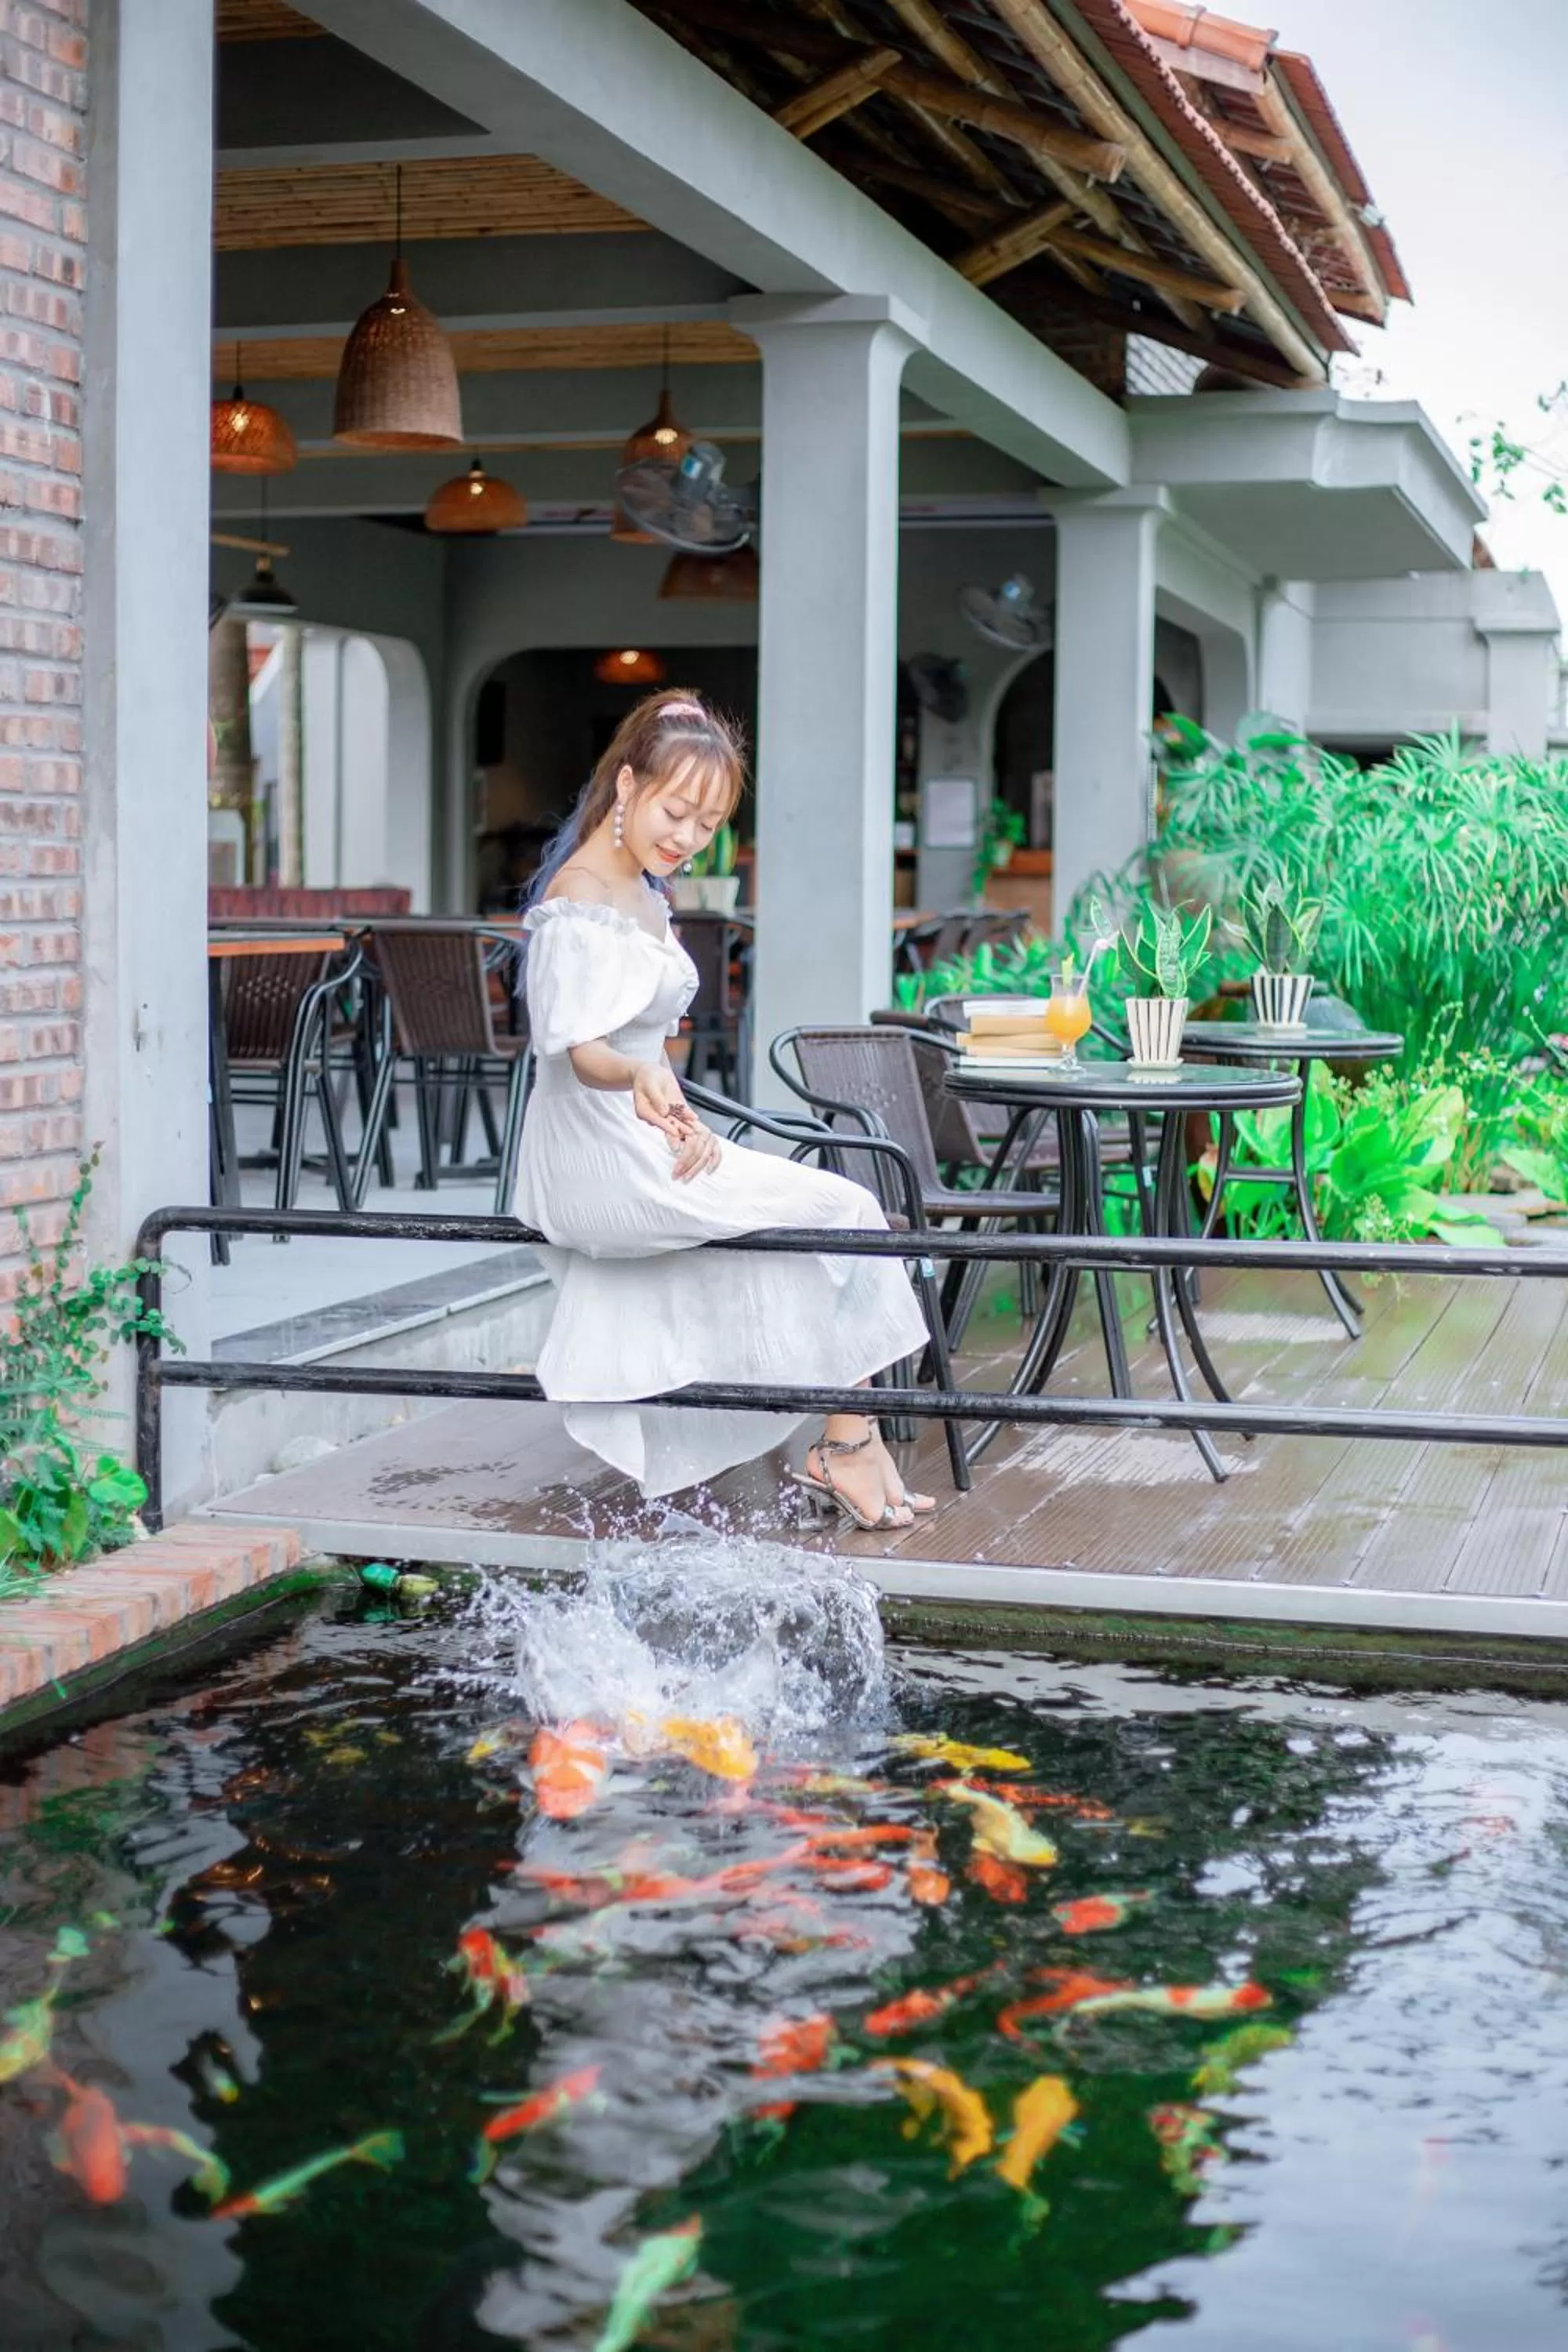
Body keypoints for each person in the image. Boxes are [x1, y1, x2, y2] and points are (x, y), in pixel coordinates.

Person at [514, 688, 933, 1529]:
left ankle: (851, 1438)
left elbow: (638, 1052)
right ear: (626, 786)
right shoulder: (581, 895)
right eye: (675, 811)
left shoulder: (639, 886)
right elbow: (580, 1049)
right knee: (842, 1209)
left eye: (707, 827)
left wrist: (675, 1113)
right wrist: (637, 1079)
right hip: (590, 1155)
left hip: (636, 1136)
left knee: (838, 1214)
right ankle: (845, 1445)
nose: (686, 838)